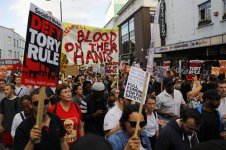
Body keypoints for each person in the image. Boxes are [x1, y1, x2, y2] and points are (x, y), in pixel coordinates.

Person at [0, 83, 20, 148]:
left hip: (16, 129)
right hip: (6, 128)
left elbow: (20, 115)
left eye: (7, 89)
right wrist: (0, 125)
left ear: (12, 90)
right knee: (7, 146)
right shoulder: (3, 100)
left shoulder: (18, 100)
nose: (5, 91)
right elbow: (1, 113)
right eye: (4, 90)